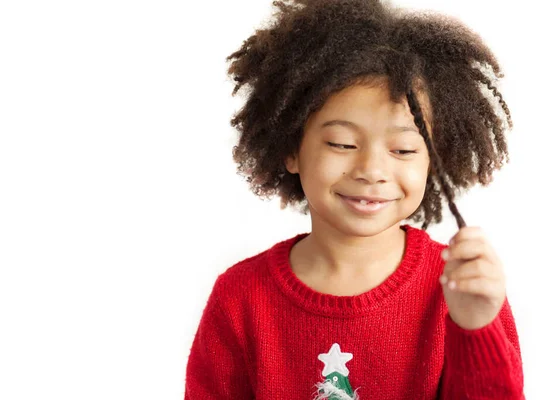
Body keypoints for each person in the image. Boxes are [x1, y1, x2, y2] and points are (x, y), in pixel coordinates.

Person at [184, 0, 524, 398]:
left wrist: (475, 328)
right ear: (290, 149)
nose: (371, 169)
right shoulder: (240, 299)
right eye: (342, 143)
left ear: (434, 158)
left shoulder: (462, 290)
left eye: (403, 150)